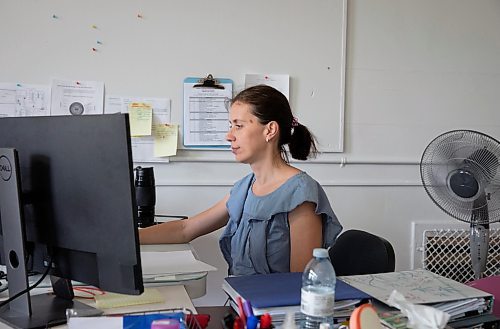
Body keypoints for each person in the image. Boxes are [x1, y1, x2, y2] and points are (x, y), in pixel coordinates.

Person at [140, 85, 342, 275]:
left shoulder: (301, 192)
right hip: (241, 303)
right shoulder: (245, 187)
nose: (229, 136)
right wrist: (131, 238)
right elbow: (186, 229)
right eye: (231, 125)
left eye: (239, 126)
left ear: (270, 130)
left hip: (272, 310)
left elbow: (300, 283)